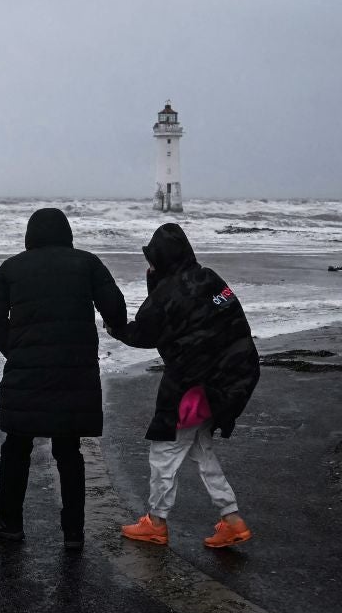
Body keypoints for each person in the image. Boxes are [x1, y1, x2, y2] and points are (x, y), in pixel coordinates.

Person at [0, 207, 126, 549]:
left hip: (26, 375)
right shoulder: (87, 263)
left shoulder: (12, 267)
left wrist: (14, 350)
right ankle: (73, 533)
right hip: (75, 373)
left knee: (17, 446)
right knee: (69, 450)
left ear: (30, 235)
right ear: (67, 233)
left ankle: (10, 522)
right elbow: (115, 309)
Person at [109, 222, 260, 548]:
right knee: (200, 448)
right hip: (235, 376)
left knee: (164, 451)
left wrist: (115, 328)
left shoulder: (169, 293)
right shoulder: (211, 279)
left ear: (162, 259)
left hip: (194, 387)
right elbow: (214, 314)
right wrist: (159, 282)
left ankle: (156, 522)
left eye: (152, 260)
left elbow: (145, 331)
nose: (150, 266)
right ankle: (231, 519)